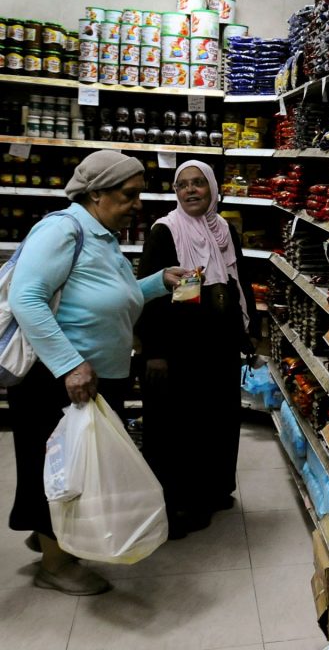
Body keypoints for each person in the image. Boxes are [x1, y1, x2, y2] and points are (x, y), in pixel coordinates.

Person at [8, 150, 187, 596]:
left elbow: (109, 296)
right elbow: (27, 298)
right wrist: (70, 364)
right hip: (57, 380)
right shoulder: (62, 229)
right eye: (128, 195)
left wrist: (157, 283)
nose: (137, 204)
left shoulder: (102, 236)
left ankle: (53, 538)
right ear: (95, 194)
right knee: (62, 471)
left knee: (78, 468)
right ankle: (56, 564)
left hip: (92, 378)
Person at [137, 160, 257, 539]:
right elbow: (149, 296)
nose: (190, 190)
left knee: (218, 419)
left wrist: (247, 331)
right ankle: (178, 505)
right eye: (183, 185)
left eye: (198, 183)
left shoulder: (224, 230)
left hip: (218, 345)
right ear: (175, 192)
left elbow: (239, 281)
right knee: (179, 428)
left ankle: (213, 490)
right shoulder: (165, 231)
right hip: (179, 349)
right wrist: (155, 351)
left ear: (212, 189)